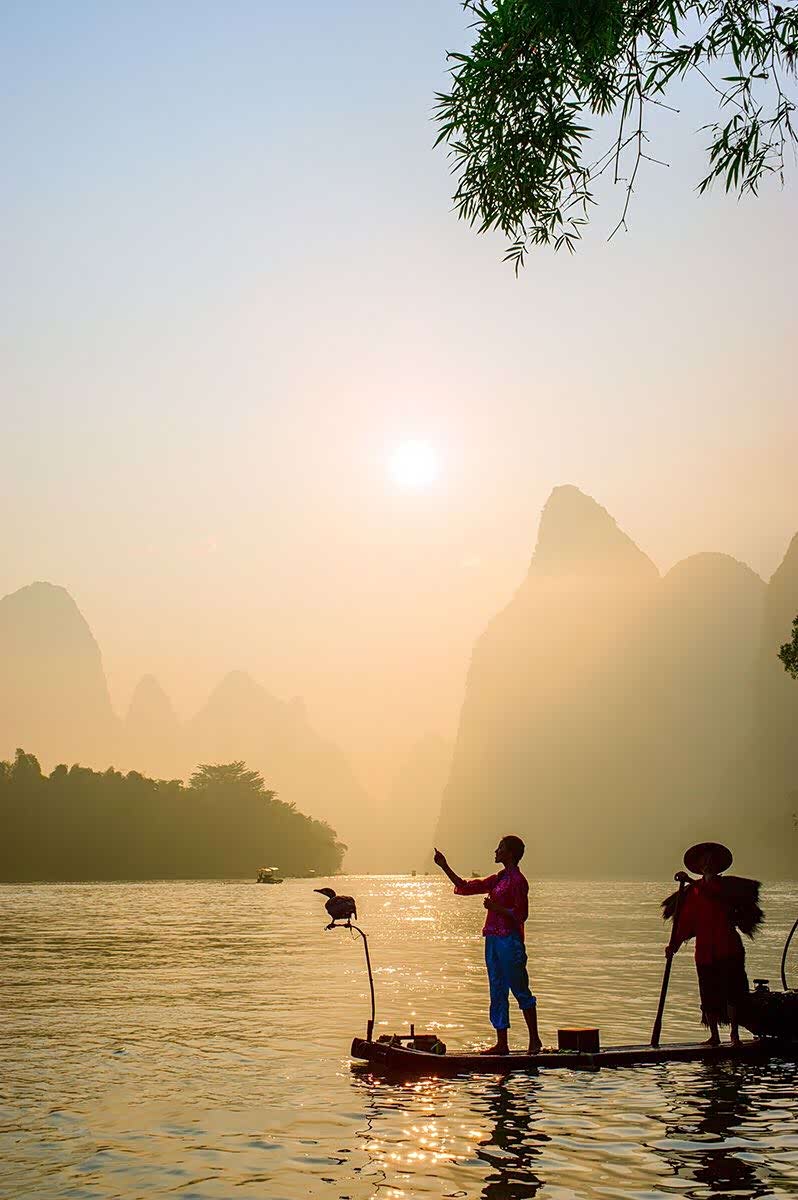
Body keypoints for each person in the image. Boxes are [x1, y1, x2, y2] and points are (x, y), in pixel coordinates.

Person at [434, 836, 542, 1055]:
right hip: (493, 940)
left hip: (509, 941)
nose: (496, 851)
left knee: (520, 989)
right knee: (497, 990)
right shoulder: (499, 878)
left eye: (500, 848)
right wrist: (444, 866)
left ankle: (535, 1041)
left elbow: (522, 915)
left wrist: (496, 908)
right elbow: (466, 887)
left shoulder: (518, 881)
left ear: (510, 854)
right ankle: (502, 1044)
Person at [663, 841, 762, 1046]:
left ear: (717, 865)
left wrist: (691, 881)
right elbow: (685, 923)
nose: (707, 863)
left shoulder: (726, 888)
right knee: (708, 993)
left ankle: (734, 1035)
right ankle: (714, 1036)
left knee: (733, 992)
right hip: (705, 951)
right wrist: (674, 945)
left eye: (711, 860)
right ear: (699, 865)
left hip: (728, 948)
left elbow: (717, 897)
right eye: (704, 860)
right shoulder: (692, 893)